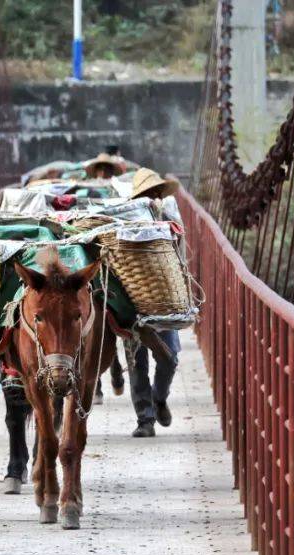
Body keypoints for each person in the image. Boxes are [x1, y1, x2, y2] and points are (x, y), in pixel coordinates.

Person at [125, 168, 182, 438]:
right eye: (149, 193)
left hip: (164, 298)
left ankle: (160, 398)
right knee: (137, 363)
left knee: (169, 358)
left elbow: (178, 254)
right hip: (134, 300)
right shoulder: (125, 224)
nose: (154, 197)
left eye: (157, 192)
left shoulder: (169, 219)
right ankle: (145, 420)